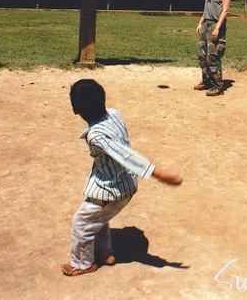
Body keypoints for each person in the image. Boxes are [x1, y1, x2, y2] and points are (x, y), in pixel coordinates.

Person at [61, 78, 183, 277]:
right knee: (99, 216)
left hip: (110, 188)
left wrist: (159, 173)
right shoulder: (115, 114)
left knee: (82, 222)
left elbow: (126, 155)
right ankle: (105, 252)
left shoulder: (96, 135)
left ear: (75, 110)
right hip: (127, 183)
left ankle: (83, 264)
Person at [194, 0, 233, 97]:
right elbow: (206, 8)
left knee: (212, 55)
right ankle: (206, 82)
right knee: (202, 55)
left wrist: (217, 28)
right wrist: (200, 23)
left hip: (216, 24)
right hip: (206, 23)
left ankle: (218, 86)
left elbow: (225, 10)